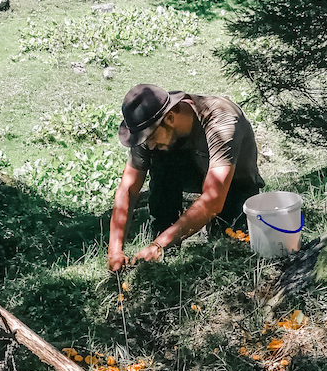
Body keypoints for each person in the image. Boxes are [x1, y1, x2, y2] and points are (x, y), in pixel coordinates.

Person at [107, 84, 264, 271]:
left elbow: (213, 200)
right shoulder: (147, 127)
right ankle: (164, 245)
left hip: (235, 186)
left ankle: (172, 240)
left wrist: (159, 245)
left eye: (150, 139)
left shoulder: (221, 121)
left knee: (231, 245)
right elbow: (128, 189)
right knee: (161, 156)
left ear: (171, 117)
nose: (147, 146)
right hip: (191, 176)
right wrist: (115, 250)